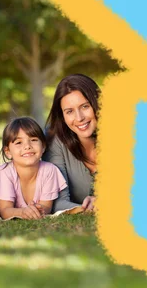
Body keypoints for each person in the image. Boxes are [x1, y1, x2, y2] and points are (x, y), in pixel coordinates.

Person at [43, 74, 100, 213]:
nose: (79, 118)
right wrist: (87, 208)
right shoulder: (55, 140)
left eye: (85, 106)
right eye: (69, 111)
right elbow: (57, 202)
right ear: (62, 116)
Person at [0, 117, 67, 220]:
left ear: (43, 147)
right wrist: (23, 212)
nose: (27, 146)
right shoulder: (5, 172)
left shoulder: (49, 170)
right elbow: (5, 211)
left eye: (33, 140)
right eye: (19, 142)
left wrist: (39, 210)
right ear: (8, 152)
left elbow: (46, 207)